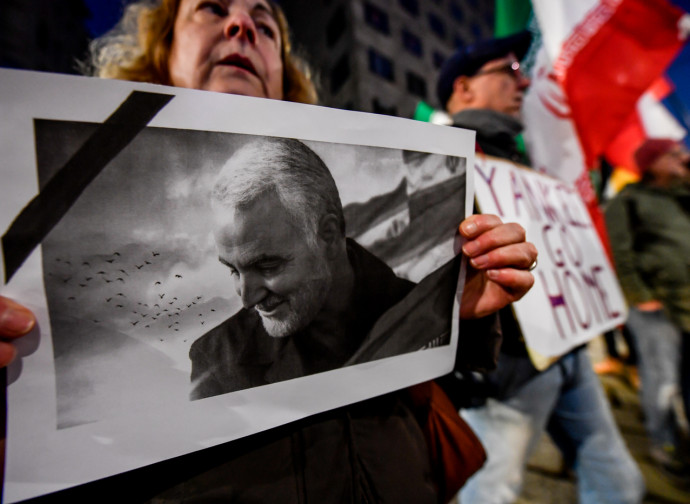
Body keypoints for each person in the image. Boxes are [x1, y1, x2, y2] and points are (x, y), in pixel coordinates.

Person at [0, 1, 538, 501]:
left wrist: (457, 311)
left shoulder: (404, 289)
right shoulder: (214, 357)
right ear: (162, 48)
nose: (241, 25)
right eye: (211, 8)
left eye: (265, 21)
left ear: (328, 233)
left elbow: (453, 373)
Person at [436, 31, 645, 504]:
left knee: (618, 480)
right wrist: (469, 372)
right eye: (508, 72)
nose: (524, 82)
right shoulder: (438, 158)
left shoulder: (530, 159)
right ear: (464, 88)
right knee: (490, 492)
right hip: (507, 369)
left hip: (566, 348)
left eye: (522, 72)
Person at [191, 136, 459, 398]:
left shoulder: (432, 313)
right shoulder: (216, 364)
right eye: (233, 270)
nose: (248, 299)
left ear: (328, 236)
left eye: (267, 266)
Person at [604, 138, 690, 477]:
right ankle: (664, 443)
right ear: (651, 164)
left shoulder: (682, 199)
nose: (682, 158)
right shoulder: (629, 201)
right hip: (657, 307)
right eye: (673, 155)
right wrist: (639, 296)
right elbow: (620, 253)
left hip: (686, 305)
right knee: (662, 380)